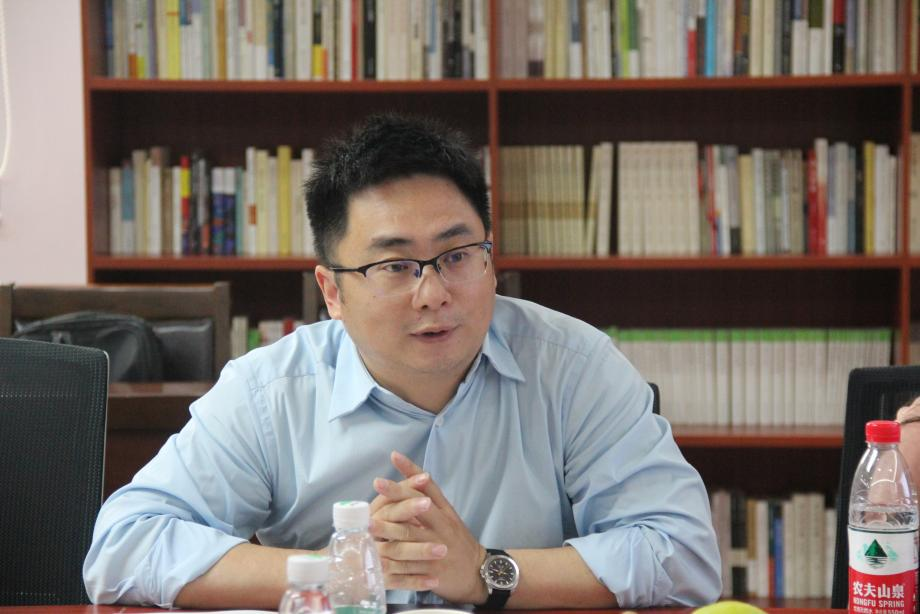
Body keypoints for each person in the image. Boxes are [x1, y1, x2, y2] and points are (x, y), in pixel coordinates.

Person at [83, 113, 722, 609]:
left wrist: (487, 571)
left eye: (457, 255)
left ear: (491, 261)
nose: (433, 293)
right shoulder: (271, 390)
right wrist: (343, 570)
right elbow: (122, 547)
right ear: (332, 292)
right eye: (394, 265)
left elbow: (684, 554)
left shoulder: (574, 366)